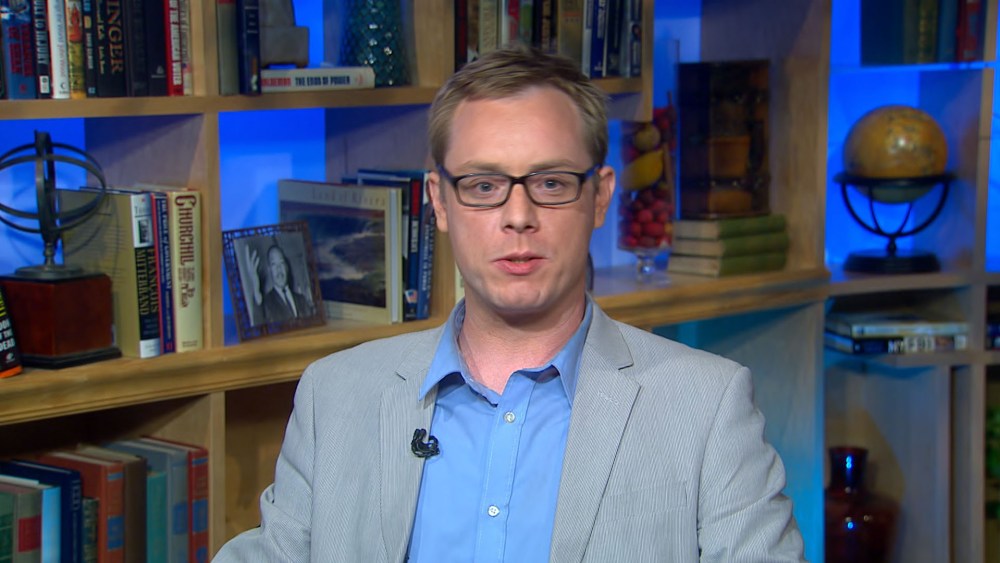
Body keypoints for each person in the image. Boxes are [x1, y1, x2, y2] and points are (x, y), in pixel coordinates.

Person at [215, 45, 805, 561]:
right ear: (439, 202)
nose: (518, 217)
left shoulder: (706, 409)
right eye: (483, 186)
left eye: (550, 183)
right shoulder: (335, 395)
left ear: (600, 197)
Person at [245, 241, 314, 324]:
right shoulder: (266, 303)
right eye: (274, 264)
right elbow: (259, 324)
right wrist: (256, 290)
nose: (279, 269)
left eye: (281, 263)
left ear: (286, 266)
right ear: (269, 269)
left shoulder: (302, 299)